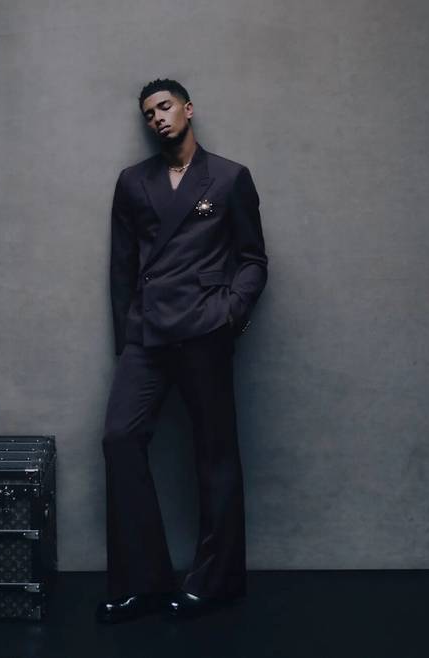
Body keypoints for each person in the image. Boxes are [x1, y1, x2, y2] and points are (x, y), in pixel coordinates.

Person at [95, 78, 268, 623]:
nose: (158, 118)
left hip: (203, 330)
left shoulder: (229, 177)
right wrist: (128, 338)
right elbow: (122, 266)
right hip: (148, 333)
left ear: (188, 109)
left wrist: (230, 312)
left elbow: (253, 259)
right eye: (149, 114)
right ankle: (141, 582)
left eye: (165, 107)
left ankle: (216, 581)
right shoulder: (133, 182)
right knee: (120, 438)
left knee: (215, 456)